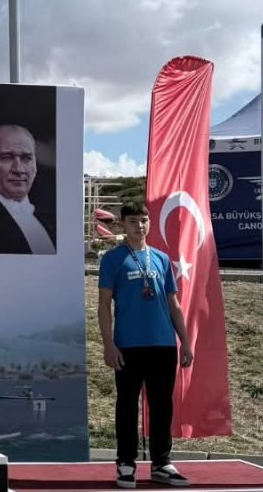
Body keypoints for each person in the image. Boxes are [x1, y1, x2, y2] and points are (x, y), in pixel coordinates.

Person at [97, 201, 193, 488]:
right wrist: (108, 344)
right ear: (123, 225)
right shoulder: (112, 259)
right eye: (133, 221)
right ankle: (126, 463)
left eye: (143, 220)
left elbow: (173, 304)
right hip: (128, 346)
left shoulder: (162, 259)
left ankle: (162, 463)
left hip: (163, 345)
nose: (140, 226)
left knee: (162, 406)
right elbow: (103, 305)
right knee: (127, 406)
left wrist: (185, 342)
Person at [0, 124, 55, 254]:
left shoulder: (49, 221)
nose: (18, 169)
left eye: (26, 158)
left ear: (35, 164)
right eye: (7, 158)